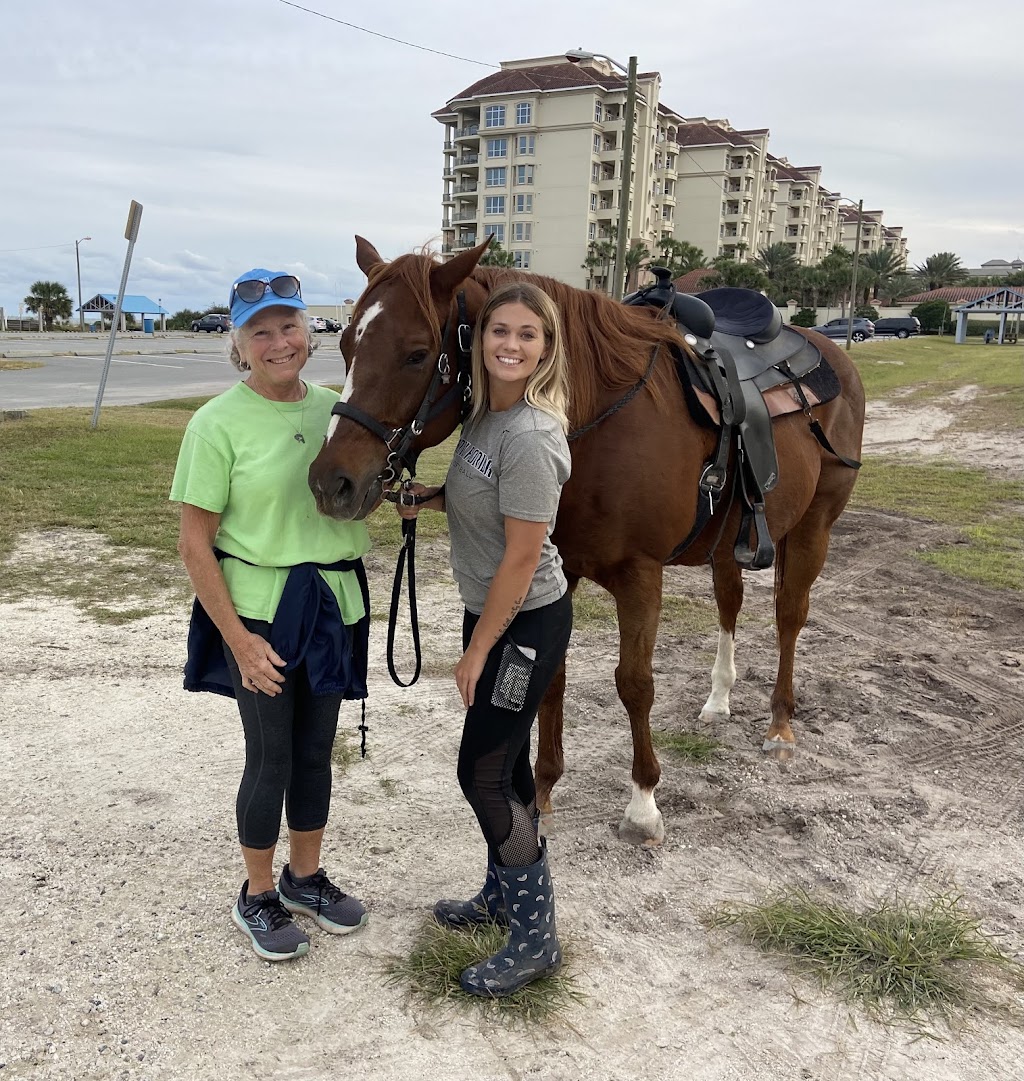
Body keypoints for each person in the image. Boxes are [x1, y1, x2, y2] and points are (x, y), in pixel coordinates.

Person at [170, 270, 371, 963]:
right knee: (272, 756)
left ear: (308, 332)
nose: (279, 341)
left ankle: (304, 879)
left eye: (289, 325)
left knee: (316, 753)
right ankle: (256, 893)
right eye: (261, 331)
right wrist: (237, 638)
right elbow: (195, 543)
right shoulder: (215, 423)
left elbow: (358, 487)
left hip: (334, 606)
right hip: (259, 615)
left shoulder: (336, 410)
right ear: (240, 343)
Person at [396, 281, 573, 997]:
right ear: (481, 340)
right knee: (508, 768)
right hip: (496, 616)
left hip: (523, 624)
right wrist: (430, 497)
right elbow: (487, 501)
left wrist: (476, 652)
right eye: (501, 329)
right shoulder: (483, 419)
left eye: (528, 333)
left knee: (483, 773)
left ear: (546, 347)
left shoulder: (531, 434)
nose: (511, 343)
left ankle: (536, 937)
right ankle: (503, 897)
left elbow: (524, 556)